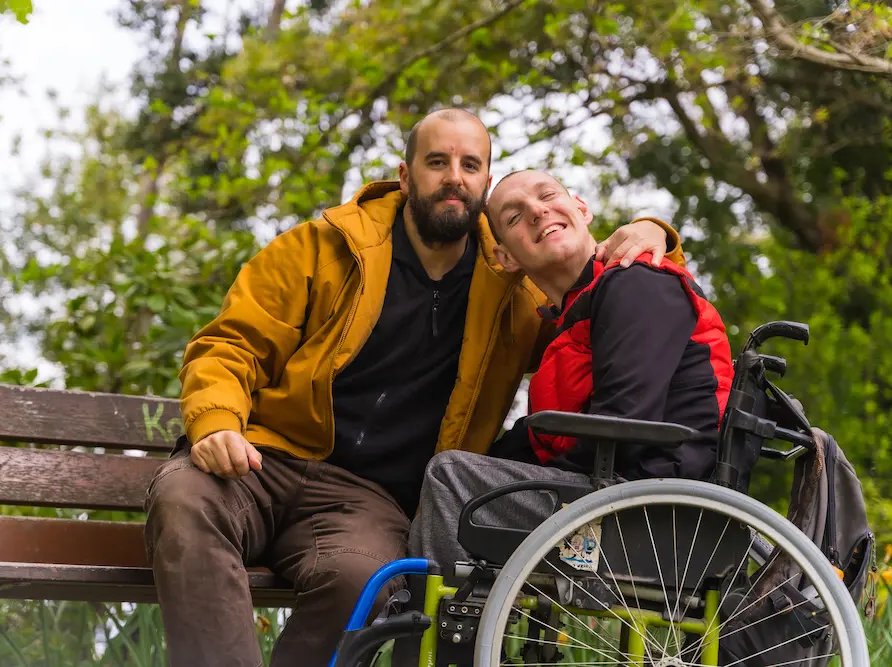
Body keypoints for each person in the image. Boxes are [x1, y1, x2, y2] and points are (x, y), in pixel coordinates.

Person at [143, 110, 682, 667]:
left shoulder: (512, 291)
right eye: (437, 162)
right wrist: (215, 424)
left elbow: (607, 307)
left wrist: (653, 233)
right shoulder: (322, 248)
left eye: (470, 165)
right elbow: (230, 345)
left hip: (365, 501)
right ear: (405, 176)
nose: (454, 176)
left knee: (362, 579)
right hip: (258, 461)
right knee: (184, 501)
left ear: (484, 182)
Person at [408, 168, 734, 571]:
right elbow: (543, 438)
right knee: (455, 470)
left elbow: (626, 422)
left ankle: (428, 628)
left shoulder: (637, 281)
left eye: (547, 195)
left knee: (452, 477)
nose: (536, 211)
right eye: (513, 217)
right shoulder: (565, 330)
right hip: (614, 496)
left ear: (581, 208)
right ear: (506, 257)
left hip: (654, 510)